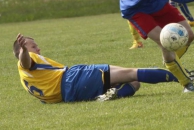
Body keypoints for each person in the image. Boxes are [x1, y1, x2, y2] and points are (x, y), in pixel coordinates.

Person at [13, 33, 180, 103]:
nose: (38, 49)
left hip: (72, 95)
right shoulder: (27, 59)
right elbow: (25, 62)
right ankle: (180, 77)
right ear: (23, 49)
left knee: (135, 83)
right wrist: (25, 51)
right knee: (130, 73)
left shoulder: (26, 80)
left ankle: (112, 95)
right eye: (34, 46)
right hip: (74, 79)